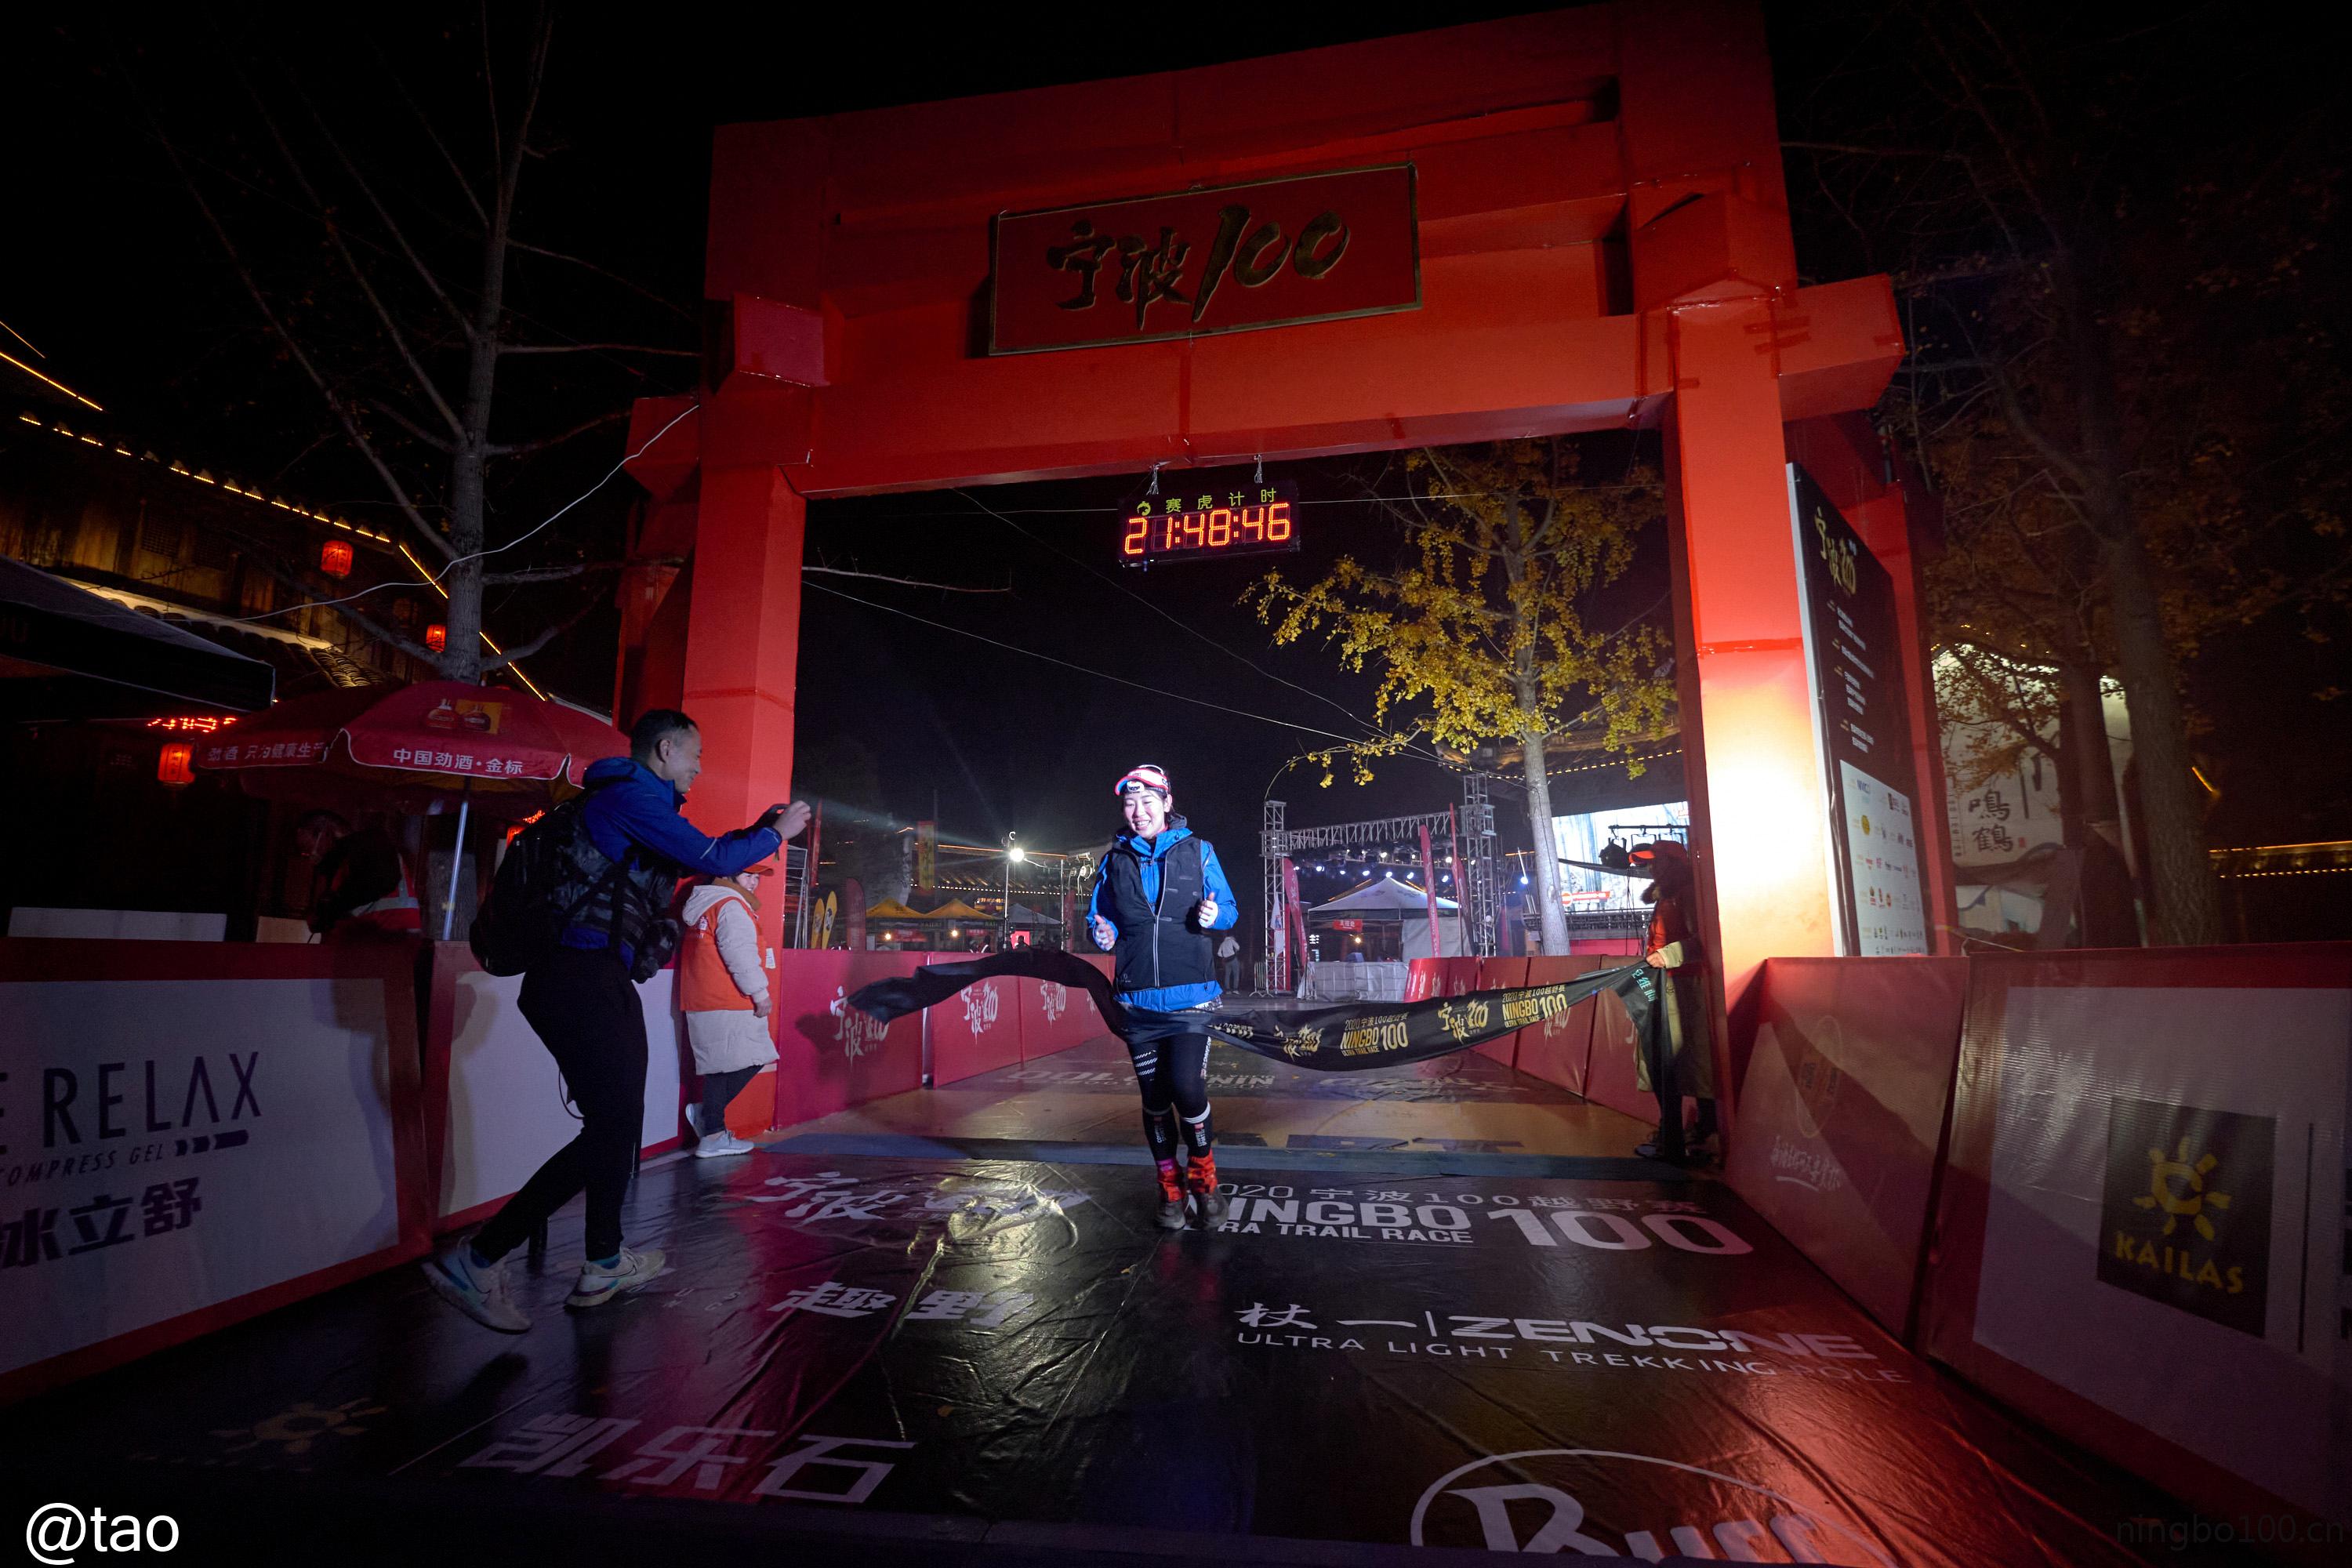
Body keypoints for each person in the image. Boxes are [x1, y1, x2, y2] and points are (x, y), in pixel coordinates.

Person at [424, 709, 809, 1332]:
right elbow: (712, 855)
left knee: (616, 1125)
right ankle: (481, 1258)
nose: (699, 768)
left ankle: (603, 1261)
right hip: (581, 979)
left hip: (590, 980)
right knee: (612, 1130)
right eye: (695, 755)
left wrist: (761, 829)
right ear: (666, 750)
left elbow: (696, 859)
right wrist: (777, 834)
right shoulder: (628, 797)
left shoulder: (631, 804)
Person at [1087, 764, 1240, 1230]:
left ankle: (1205, 1179)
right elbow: (1099, 918)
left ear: (1167, 804)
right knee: (1154, 1099)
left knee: (1187, 1088)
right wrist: (1103, 933)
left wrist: (1214, 915)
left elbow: (1229, 909)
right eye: (1130, 804)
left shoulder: (1199, 851)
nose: (1138, 812)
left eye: (1148, 802)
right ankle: (1169, 1186)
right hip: (1137, 1004)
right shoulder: (1114, 860)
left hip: (1192, 999)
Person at [679, 861, 778, 1160]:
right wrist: (760, 993)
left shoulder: (708, 903)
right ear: (728, 875)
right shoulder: (731, 906)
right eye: (748, 875)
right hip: (729, 999)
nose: (754, 882)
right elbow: (740, 955)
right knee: (743, 1062)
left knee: (720, 1068)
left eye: (757, 877)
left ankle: (712, 1127)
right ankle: (711, 1130)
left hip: (704, 998)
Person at [1628, 839, 1718, 1162]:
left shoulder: (1686, 894)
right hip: (1664, 984)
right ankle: (1678, 1131)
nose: (1652, 867)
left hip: (1684, 987)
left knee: (1679, 1062)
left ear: (1674, 863)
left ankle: (1694, 1132)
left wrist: (1667, 956)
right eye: (1650, 862)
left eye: (1657, 861)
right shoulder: (1666, 895)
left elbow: (1703, 941)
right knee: (1663, 1060)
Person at [299, 811, 419, 942]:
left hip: (390, 940)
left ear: (326, 833)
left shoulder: (372, 844)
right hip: (370, 943)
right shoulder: (343, 861)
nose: (311, 856)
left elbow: (376, 883)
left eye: (308, 850)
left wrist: (331, 908)